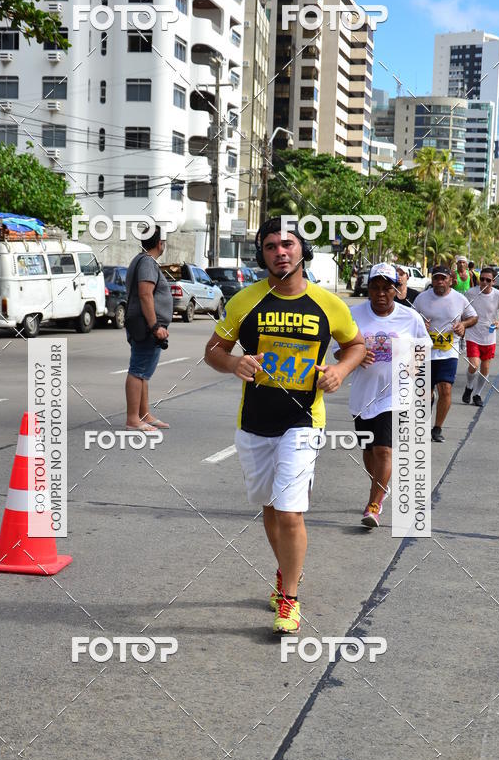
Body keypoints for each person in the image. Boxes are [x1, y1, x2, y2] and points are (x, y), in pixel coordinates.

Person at [204, 217, 365, 634]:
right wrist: (233, 361)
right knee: (271, 508)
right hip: (254, 422)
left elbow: (356, 344)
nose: (280, 252)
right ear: (263, 253)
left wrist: (341, 371)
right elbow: (213, 350)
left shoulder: (330, 304)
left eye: (288, 244)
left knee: (290, 511)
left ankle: (290, 598)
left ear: (302, 251)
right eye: (271, 245)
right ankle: (285, 573)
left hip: (303, 419)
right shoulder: (244, 301)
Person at [335, 263, 429, 528]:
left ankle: (373, 505)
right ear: (368, 289)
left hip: (396, 394)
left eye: (387, 288)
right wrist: (354, 355)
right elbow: (337, 351)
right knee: (368, 451)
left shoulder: (410, 317)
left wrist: (413, 367)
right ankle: (381, 487)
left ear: (396, 289)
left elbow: (423, 347)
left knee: (384, 449)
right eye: (375, 287)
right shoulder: (353, 315)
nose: (380, 293)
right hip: (364, 395)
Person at [413, 264, 478, 442]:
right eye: (436, 278)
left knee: (446, 390)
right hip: (425, 351)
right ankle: (424, 422)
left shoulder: (459, 299)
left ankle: (437, 428)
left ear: (450, 280)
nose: (440, 281)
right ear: (432, 280)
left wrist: (463, 325)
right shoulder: (421, 298)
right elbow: (409, 319)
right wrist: (419, 324)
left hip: (449, 351)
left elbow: (473, 317)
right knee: (425, 393)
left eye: (443, 278)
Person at [124, 225, 172, 431]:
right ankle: (133, 419)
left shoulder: (143, 260)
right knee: (137, 371)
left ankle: (143, 414)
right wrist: (155, 326)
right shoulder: (147, 263)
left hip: (143, 324)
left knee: (143, 371)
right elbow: (145, 294)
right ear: (160, 243)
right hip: (146, 326)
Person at [462, 267, 499, 407]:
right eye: (481, 279)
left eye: (487, 280)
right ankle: (469, 386)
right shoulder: (471, 293)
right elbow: (462, 310)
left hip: (489, 336)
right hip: (473, 333)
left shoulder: (498, 295)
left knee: (485, 368)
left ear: (493, 281)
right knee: (474, 364)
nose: (484, 282)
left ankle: (477, 394)